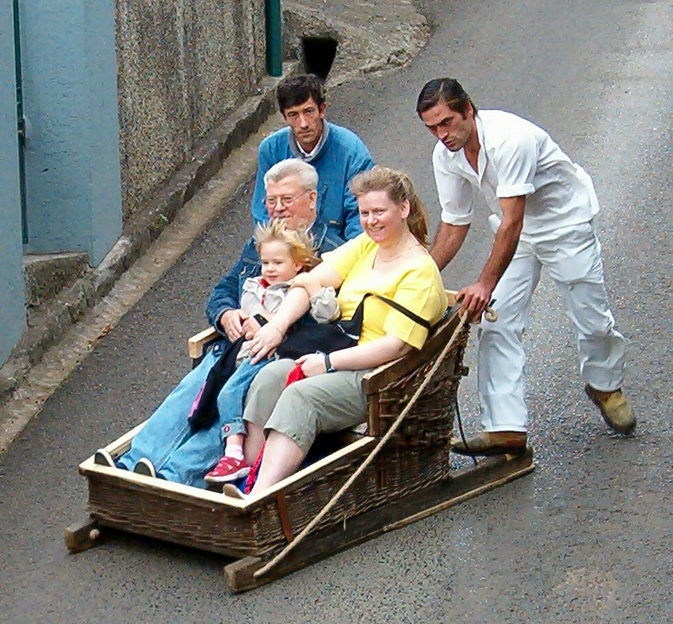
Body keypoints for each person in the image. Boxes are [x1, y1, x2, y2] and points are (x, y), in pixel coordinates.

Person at [416, 78, 635, 456]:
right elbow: (454, 222)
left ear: (468, 109)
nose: (442, 135)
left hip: (564, 223)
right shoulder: (445, 155)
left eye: (447, 122)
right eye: (432, 128)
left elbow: (513, 219)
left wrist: (484, 282)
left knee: (591, 318)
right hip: (513, 232)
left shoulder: (509, 140)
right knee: (496, 319)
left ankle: (604, 383)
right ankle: (505, 427)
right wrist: (419, 275)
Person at [93, 159, 344, 486]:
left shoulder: (333, 253)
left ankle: (173, 477)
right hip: (231, 347)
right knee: (187, 394)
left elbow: (330, 323)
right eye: (271, 200)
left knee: (228, 407)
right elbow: (223, 290)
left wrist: (269, 325)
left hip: (274, 359)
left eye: (287, 199)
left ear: (311, 199)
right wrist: (227, 314)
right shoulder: (261, 243)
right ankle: (131, 465)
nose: (278, 209)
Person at [223, 167, 448, 497]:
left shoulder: (419, 271)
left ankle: (261, 496)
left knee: (301, 396)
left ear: (404, 209)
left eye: (379, 212)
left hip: (376, 374)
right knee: (270, 376)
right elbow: (308, 280)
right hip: (338, 348)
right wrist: (277, 326)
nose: (371, 221)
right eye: (364, 212)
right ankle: (247, 475)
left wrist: (327, 363)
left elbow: (396, 346)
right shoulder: (366, 246)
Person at [200, 220, 339, 484]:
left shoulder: (300, 288)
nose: (270, 269)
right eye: (265, 263)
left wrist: (310, 286)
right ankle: (219, 456)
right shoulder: (254, 286)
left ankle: (234, 455)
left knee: (230, 392)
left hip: (275, 355)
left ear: (297, 264)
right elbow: (236, 310)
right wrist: (236, 318)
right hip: (243, 354)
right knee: (215, 390)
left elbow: (328, 314)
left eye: (278, 263)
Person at [251, 73, 375, 243]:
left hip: (338, 251)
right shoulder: (271, 150)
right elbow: (263, 214)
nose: (303, 123)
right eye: (293, 115)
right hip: (287, 250)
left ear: (322, 109)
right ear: (285, 117)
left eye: (308, 112)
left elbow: (361, 218)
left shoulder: (353, 152)